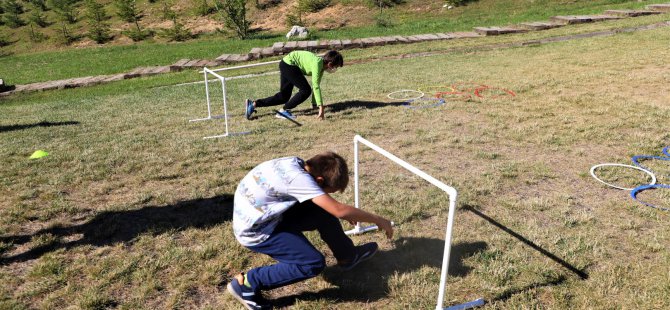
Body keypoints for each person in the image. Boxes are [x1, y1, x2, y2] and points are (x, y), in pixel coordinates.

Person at [227, 152, 394, 309]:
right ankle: (247, 283)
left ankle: (348, 256)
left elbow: (334, 209)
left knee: (325, 211)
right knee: (312, 263)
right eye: (329, 192)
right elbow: (339, 210)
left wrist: (338, 210)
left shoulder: (296, 163)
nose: (329, 195)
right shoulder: (299, 180)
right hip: (257, 231)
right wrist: (379, 220)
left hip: (264, 214)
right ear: (320, 180)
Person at [244, 50, 344, 121]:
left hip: (286, 63)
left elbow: (316, 86)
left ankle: (253, 104)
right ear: (330, 64)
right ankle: (284, 111)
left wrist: (315, 105)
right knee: (305, 90)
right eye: (336, 66)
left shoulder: (321, 67)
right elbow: (316, 87)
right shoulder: (317, 63)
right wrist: (321, 109)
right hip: (289, 65)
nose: (335, 69)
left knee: (284, 96)